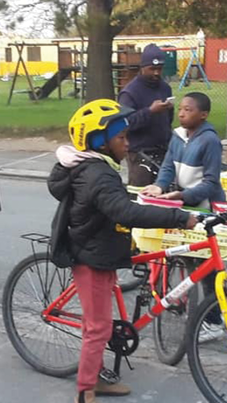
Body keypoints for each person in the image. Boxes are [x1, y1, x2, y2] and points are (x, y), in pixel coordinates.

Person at [48, 99, 197, 403]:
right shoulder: (98, 175)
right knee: (98, 327)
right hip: (91, 256)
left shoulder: (95, 167)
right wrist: (181, 218)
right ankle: (86, 389)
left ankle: (96, 374)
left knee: (99, 323)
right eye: (121, 138)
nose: (128, 144)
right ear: (99, 142)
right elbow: (123, 212)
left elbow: (113, 203)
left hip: (100, 248)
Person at [139, 92, 226, 342]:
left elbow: (211, 183)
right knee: (187, 256)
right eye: (181, 109)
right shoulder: (177, 136)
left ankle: (213, 322)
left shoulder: (209, 141)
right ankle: (202, 302)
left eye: (188, 110)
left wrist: (182, 195)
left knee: (206, 267)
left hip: (205, 207)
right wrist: (159, 185)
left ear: (203, 115)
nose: (182, 113)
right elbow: (168, 166)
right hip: (183, 203)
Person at [118, 44, 174, 186]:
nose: (156, 73)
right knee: (141, 195)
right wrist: (150, 111)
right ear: (143, 67)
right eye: (152, 69)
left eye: (159, 69)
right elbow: (125, 123)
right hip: (140, 153)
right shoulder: (130, 92)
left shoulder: (165, 88)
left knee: (163, 194)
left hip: (163, 150)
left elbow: (169, 119)